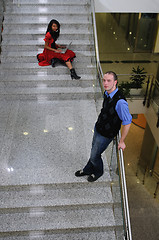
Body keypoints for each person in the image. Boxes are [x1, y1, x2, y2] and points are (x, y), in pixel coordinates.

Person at [75, 71, 132, 182]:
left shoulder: (120, 102)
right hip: (98, 128)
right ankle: (88, 169)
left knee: (95, 155)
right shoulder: (107, 93)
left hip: (106, 135)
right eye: (104, 80)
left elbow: (127, 122)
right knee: (93, 150)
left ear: (115, 82)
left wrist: (122, 141)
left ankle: (98, 172)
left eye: (109, 80)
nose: (105, 83)